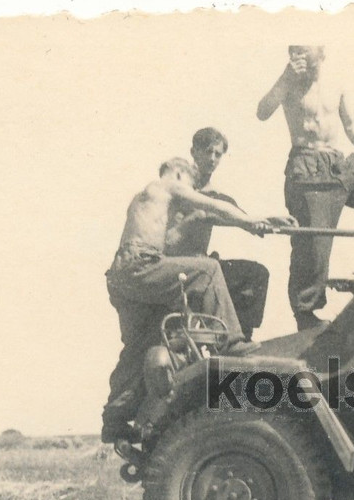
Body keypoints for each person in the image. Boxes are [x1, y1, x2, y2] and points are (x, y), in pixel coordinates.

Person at [102, 157, 280, 443]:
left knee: (141, 342)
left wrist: (260, 220)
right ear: (179, 173)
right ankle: (234, 342)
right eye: (191, 183)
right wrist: (249, 221)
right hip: (140, 264)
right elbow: (209, 205)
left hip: (122, 276)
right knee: (208, 270)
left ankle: (114, 417)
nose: (192, 189)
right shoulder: (167, 185)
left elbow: (195, 222)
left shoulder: (145, 199)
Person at [257, 45, 354, 330]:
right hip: (306, 165)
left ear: (322, 54)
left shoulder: (336, 84)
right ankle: (305, 313)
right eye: (296, 53)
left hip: (338, 163)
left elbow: (350, 124)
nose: (301, 59)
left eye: (307, 54)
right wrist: (284, 77)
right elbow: (262, 111)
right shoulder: (288, 84)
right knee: (315, 243)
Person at [164, 127, 292, 340]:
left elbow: (242, 218)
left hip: (203, 265)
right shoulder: (179, 187)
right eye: (207, 151)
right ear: (193, 152)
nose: (212, 159)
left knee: (255, 274)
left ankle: (241, 338)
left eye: (218, 154)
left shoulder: (216, 196)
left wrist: (269, 220)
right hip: (174, 267)